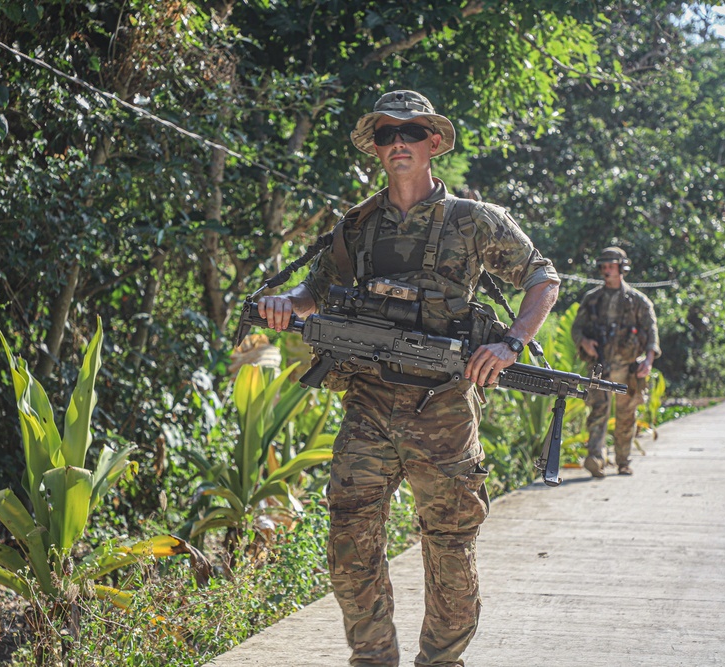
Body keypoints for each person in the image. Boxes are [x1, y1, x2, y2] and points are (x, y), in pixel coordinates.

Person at [257, 90, 560, 667]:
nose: (399, 141)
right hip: (369, 401)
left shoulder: (473, 220)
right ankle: (373, 658)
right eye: (387, 132)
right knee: (349, 542)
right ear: (375, 147)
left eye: (412, 132)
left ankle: (441, 661)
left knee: (449, 549)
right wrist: (283, 304)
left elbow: (543, 277)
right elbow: (310, 294)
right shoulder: (357, 226)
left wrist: (510, 342)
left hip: (444, 406)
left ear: (434, 143)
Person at [571, 246, 660, 478]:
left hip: (628, 368)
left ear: (622, 268)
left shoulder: (638, 301)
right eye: (604, 267)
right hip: (600, 366)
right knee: (598, 413)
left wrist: (648, 361)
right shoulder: (593, 299)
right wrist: (585, 342)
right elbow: (576, 328)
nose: (606, 271)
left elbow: (652, 333)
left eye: (611, 266)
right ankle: (595, 459)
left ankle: (623, 461)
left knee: (626, 416)